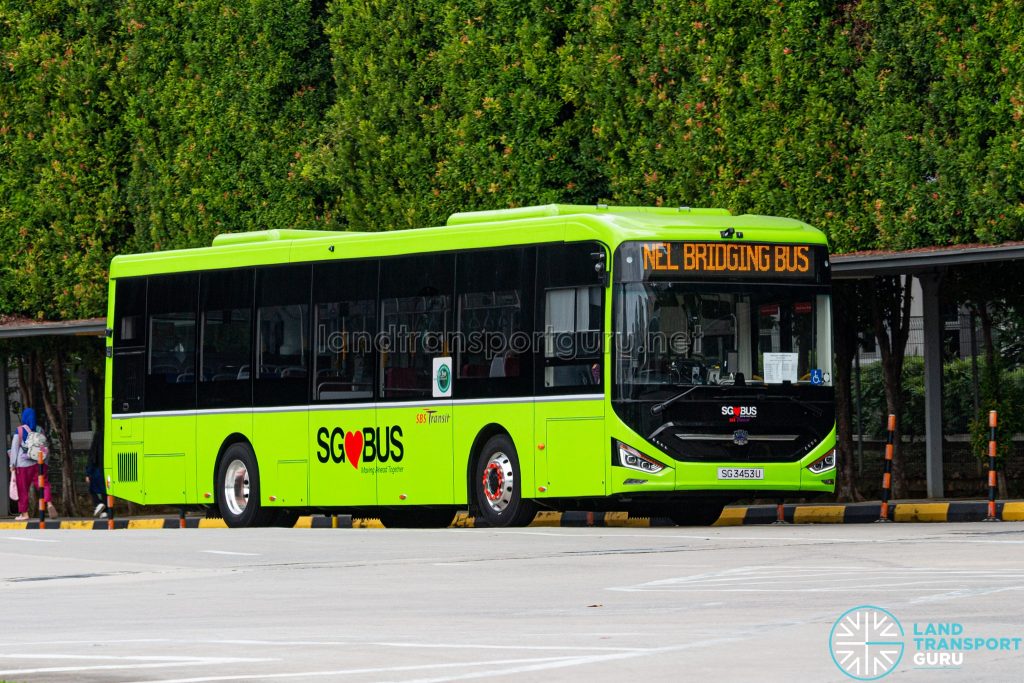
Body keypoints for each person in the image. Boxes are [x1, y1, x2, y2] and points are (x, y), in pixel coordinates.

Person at [8, 407, 57, 521]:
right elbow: (44, 446)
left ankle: (24, 514)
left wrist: (12, 465)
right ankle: (49, 503)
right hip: (38, 463)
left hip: (23, 465)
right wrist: (45, 463)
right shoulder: (40, 430)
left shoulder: (19, 430)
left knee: (23, 489)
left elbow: (14, 449)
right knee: (43, 484)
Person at [85, 426, 107, 517]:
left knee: (92, 489)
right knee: (106, 491)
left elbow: (92, 458)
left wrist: (88, 473)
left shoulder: (97, 439)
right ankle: (106, 511)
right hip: (107, 470)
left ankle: (99, 504)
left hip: (97, 470)